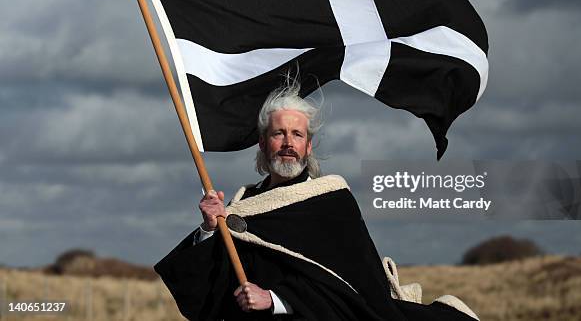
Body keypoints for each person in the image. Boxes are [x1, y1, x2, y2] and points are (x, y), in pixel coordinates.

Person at [154, 81, 478, 321]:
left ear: (309, 146)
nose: (288, 143)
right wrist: (210, 230)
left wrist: (276, 299)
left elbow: (355, 293)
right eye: (278, 134)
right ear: (263, 144)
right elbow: (207, 296)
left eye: (297, 135)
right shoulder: (243, 205)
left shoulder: (332, 201)